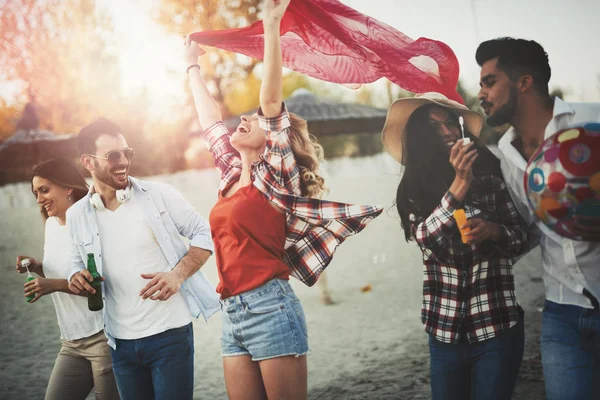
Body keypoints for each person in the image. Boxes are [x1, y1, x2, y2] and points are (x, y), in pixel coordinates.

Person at [184, 0, 382, 398]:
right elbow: (209, 121)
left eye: (252, 121)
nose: (243, 119)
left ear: (275, 139)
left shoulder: (276, 176)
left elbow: (271, 102)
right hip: (233, 313)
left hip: (271, 309)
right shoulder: (228, 175)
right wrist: (190, 66)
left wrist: (271, 29)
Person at [381, 92, 528, 400]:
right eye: (435, 127)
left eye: (450, 123)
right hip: (444, 334)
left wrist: (494, 231)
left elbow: (522, 238)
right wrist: (459, 183)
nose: (447, 132)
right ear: (421, 137)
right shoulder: (414, 189)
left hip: (497, 328)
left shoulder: (490, 177)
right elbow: (426, 239)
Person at [476, 37, 600, 400]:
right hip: (562, 312)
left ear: (524, 82)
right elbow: (533, 227)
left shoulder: (591, 120)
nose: (481, 93)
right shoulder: (504, 152)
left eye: (489, 82)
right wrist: (495, 234)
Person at [66, 118, 219, 400]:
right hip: (119, 344)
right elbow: (75, 261)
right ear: (88, 162)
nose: (123, 161)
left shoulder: (160, 195)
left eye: (127, 153)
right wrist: (76, 276)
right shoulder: (76, 216)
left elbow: (205, 233)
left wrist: (178, 274)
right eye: (112, 155)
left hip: (170, 336)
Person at [16, 158, 119, 400]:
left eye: (44, 190)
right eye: (35, 193)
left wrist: (51, 286)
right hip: (71, 341)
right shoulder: (51, 225)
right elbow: (63, 270)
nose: (39, 199)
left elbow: (98, 283)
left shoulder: (91, 222)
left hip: (102, 337)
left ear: (68, 187)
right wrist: (38, 267)